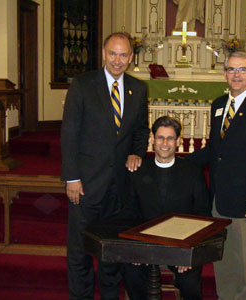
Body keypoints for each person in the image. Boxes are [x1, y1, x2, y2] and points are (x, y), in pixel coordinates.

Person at [61, 32, 149, 300]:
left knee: (111, 252)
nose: (117, 60)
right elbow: (70, 133)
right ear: (103, 53)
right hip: (86, 184)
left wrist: (137, 153)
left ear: (131, 58)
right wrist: (72, 177)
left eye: (124, 55)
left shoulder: (138, 88)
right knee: (80, 251)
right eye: (113, 53)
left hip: (119, 187)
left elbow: (141, 131)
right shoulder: (83, 84)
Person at [188, 51, 246, 300]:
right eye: (231, 69)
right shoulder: (219, 105)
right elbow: (214, 149)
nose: (236, 75)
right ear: (224, 73)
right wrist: (179, 161)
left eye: (242, 70)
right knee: (224, 258)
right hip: (219, 198)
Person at [121, 116, 210, 300]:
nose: (164, 143)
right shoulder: (137, 171)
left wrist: (189, 251)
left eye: (170, 138)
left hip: (182, 245)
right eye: (160, 137)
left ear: (178, 141)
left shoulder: (193, 171)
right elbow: (129, 214)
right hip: (144, 244)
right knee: (131, 273)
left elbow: (203, 214)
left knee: (190, 284)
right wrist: (135, 248)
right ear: (152, 140)